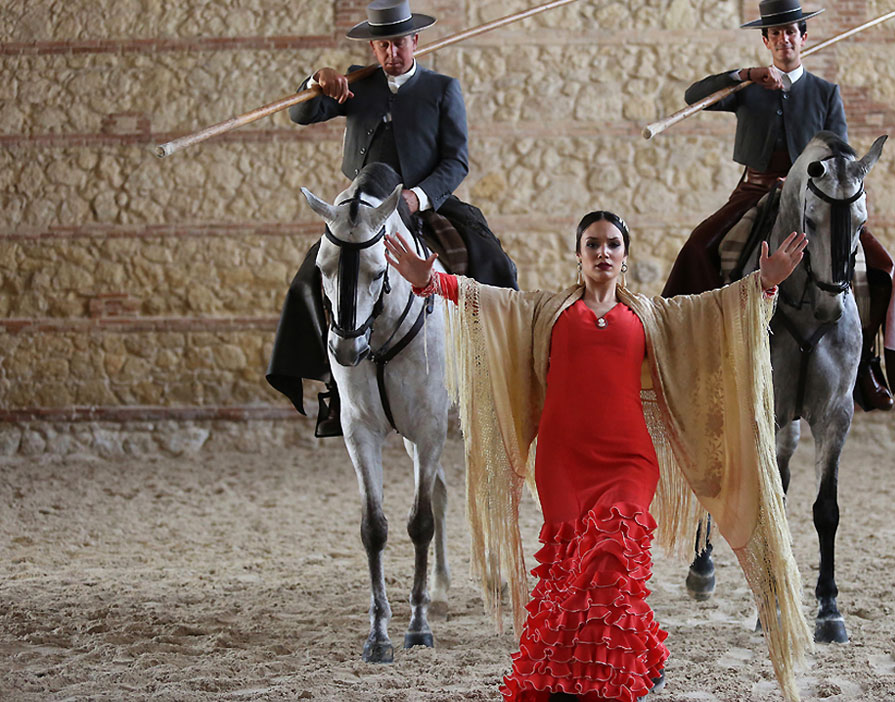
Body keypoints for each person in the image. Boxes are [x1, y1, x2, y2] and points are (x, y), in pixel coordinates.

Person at [384, 212, 813, 702]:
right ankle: (639, 657)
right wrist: (433, 283)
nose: (603, 252)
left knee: (612, 559)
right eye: (593, 244)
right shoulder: (546, 310)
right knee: (570, 570)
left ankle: (608, 685)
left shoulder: (653, 315)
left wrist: (764, 284)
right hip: (562, 462)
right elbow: (492, 303)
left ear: (625, 255)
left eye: (612, 244)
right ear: (578, 254)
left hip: (629, 460)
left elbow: (711, 313)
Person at [266, 0, 518, 437]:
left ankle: (494, 374)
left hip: (423, 203)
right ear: (375, 47)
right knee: (312, 276)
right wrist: (317, 80)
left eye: (398, 43)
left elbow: (456, 161)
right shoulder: (356, 84)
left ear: (414, 41)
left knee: (491, 261)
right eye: (382, 45)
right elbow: (301, 113)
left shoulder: (442, 88)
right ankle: (332, 390)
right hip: (360, 208)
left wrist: (420, 198)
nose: (391, 53)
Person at [661, 0, 895, 409]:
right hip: (755, 190)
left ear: (804, 37)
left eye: (791, 32)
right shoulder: (748, 90)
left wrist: (808, 179)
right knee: (698, 246)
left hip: (816, 198)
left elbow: (842, 155)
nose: (785, 39)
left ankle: (868, 363)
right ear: (766, 41)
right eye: (776, 33)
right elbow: (694, 96)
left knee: (881, 265)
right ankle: (696, 355)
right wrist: (745, 76)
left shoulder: (824, 92)